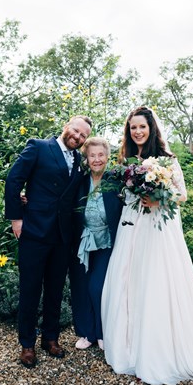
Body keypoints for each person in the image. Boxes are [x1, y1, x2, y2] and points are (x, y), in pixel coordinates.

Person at [101, 106, 193, 385]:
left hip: (157, 229)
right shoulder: (125, 159)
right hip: (131, 225)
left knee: (154, 282)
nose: (137, 131)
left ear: (151, 129)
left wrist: (158, 199)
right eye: (133, 127)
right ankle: (128, 346)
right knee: (129, 281)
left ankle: (156, 350)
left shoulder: (165, 158)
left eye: (142, 127)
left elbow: (181, 194)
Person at [5, 115, 92, 368]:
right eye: (76, 131)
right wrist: (16, 218)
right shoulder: (39, 147)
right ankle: (27, 344)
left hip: (63, 236)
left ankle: (50, 338)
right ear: (67, 126)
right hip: (34, 231)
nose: (77, 137)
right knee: (30, 289)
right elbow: (14, 180)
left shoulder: (79, 160)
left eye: (83, 136)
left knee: (55, 290)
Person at [69, 137, 123, 350]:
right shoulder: (80, 181)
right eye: (92, 155)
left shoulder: (116, 180)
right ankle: (86, 333)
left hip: (107, 242)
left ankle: (102, 332)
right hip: (82, 241)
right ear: (87, 158)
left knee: (97, 287)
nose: (97, 159)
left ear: (107, 157)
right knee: (81, 287)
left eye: (101, 155)